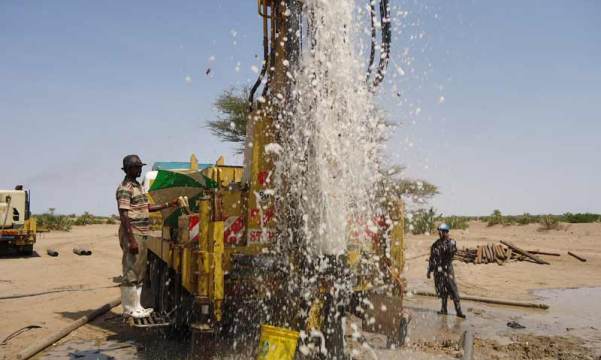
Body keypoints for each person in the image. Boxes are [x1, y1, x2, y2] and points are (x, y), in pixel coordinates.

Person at [116, 154, 177, 318]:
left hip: (142, 232)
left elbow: (145, 207)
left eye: (140, 166)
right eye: (137, 167)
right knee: (131, 270)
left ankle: (137, 307)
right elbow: (124, 215)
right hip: (133, 232)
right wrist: (131, 239)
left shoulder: (138, 186)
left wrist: (168, 204)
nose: (140, 169)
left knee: (139, 270)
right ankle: (130, 309)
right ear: (128, 169)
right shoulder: (125, 188)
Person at [427, 223, 465, 318]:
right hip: (438, 271)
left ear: (446, 232)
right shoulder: (435, 244)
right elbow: (432, 258)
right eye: (439, 231)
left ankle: (459, 311)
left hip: (447, 270)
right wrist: (429, 271)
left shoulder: (451, 242)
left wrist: (445, 248)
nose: (439, 233)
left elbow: (451, 253)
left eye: (441, 231)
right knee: (442, 290)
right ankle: (444, 309)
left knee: (453, 289)